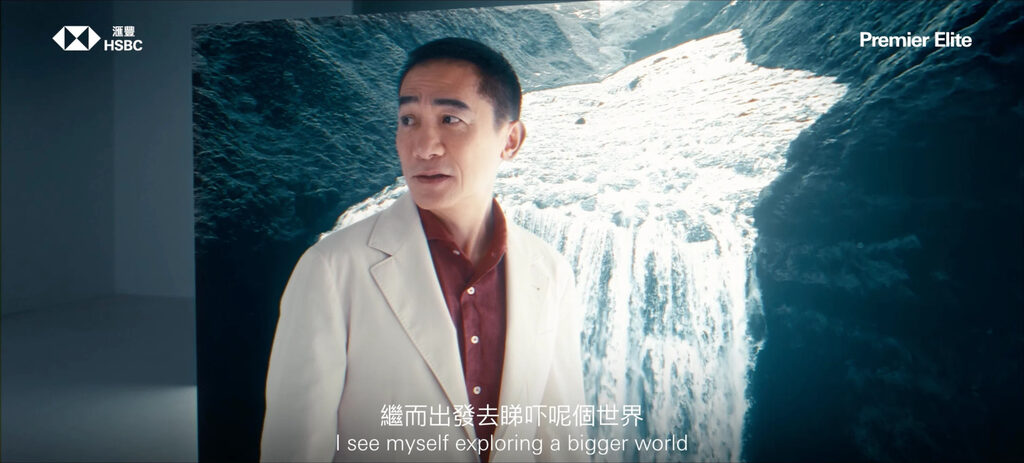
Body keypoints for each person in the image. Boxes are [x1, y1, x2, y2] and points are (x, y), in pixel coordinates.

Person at [260, 37, 588, 462]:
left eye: (450, 119)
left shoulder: (550, 270)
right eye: (409, 120)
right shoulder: (330, 269)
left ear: (510, 140)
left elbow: (561, 442)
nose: (423, 147)